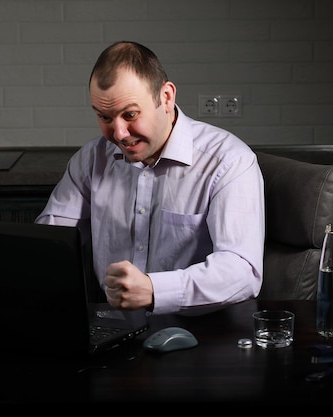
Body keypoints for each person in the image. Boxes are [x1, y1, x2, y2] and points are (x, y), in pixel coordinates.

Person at [35, 41, 265, 316]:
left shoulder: (229, 161)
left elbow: (242, 271)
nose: (118, 133)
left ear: (166, 97)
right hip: (112, 327)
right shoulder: (92, 159)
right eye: (104, 117)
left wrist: (154, 290)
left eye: (130, 114)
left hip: (202, 335)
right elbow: (49, 245)